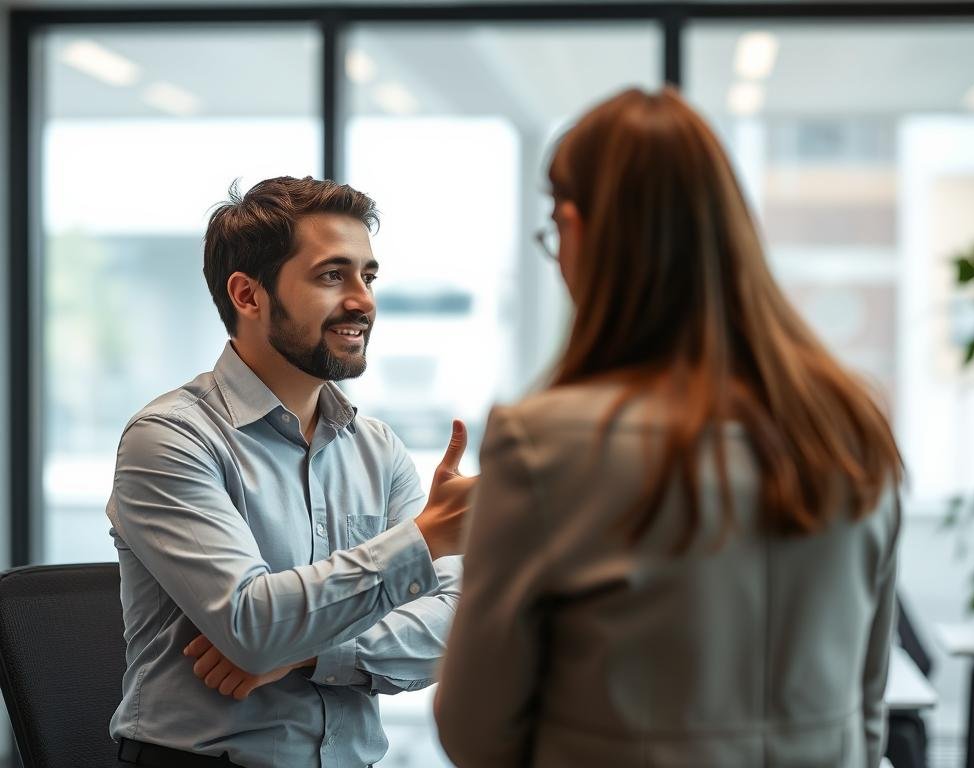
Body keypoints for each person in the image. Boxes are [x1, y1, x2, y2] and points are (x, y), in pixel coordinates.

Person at [434, 88, 902, 768]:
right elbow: (869, 711)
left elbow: (476, 733)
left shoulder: (547, 446)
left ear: (577, 226)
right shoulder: (852, 428)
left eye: (554, 235)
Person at [107, 176, 472, 768]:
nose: (363, 300)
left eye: (368, 275)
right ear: (248, 296)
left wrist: (307, 652)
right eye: (333, 276)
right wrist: (424, 539)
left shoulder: (376, 448)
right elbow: (252, 625)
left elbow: (465, 627)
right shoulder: (170, 439)